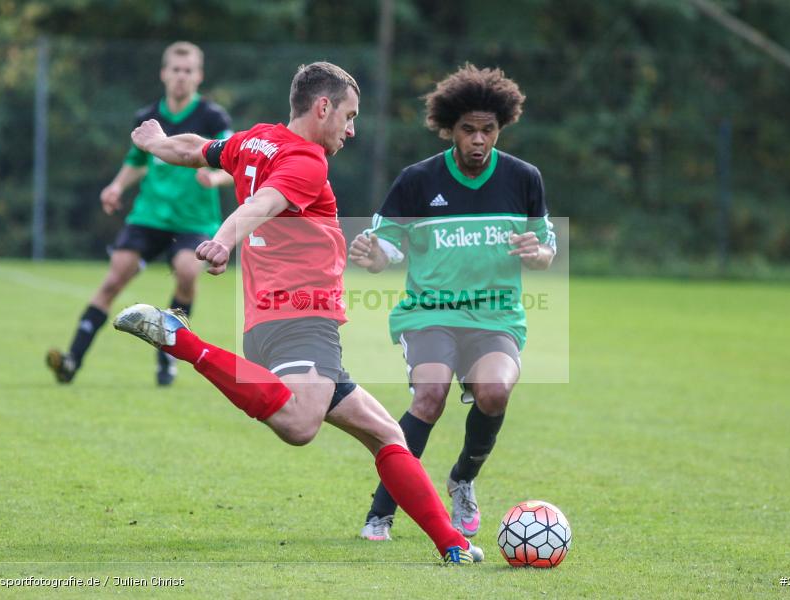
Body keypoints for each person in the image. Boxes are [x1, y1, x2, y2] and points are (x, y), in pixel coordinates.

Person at [112, 62, 482, 565]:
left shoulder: (256, 140)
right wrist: (222, 241)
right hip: (301, 318)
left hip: (270, 319)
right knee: (299, 425)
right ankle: (181, 340)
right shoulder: (308, 162)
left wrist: (156, 142)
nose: (352, 130)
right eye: (349, 116)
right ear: (322, 107)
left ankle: (453, 545)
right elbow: (262, 203)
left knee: (386, 434)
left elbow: (195, 150)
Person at [348, 64, 556, 542]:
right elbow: (387, 248)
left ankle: (462, 478)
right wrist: (373, 255)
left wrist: (538, 253)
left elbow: (546, 252)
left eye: (488, 130)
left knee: (495, 392)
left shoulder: (524, 178)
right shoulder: (418, 180)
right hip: (430, 314)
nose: (479, 140)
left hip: (495, 315)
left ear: (500, 127)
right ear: (450, 129)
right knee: (430, 394)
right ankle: (381, 512)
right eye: (469, 130)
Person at [46, 41, 233, 386]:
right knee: (114, 278)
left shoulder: (213, 117)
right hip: (149, 216)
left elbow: (234, 161)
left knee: (188, 273)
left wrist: (216, 176)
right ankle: (72, 359)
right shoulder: (147, 118)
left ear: (199, 76)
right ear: (164, 74)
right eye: (175, 70)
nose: (181, 77)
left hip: (193, 220)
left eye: (188, 71)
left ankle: (169, 355)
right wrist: (117, 187)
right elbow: (136, 162)